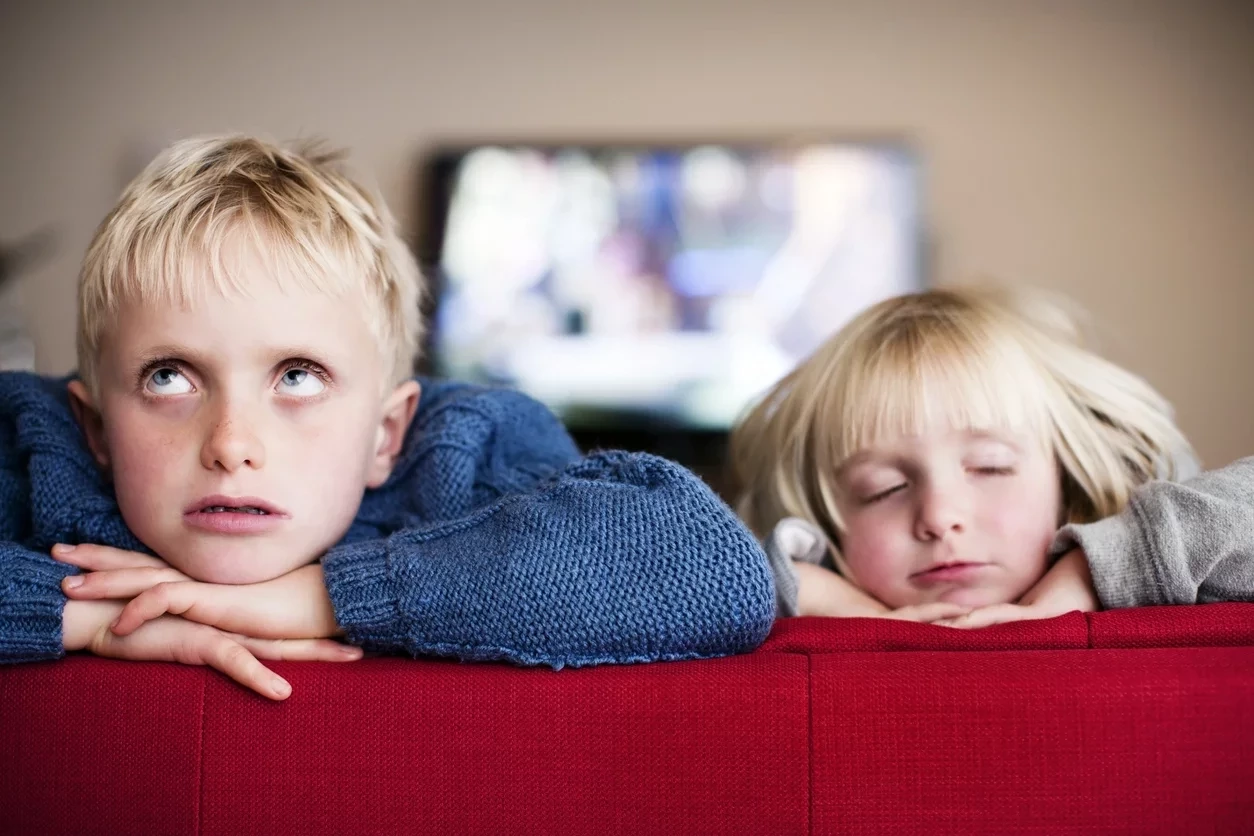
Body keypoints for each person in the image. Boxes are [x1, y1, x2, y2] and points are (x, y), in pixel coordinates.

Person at [0, 135, 775, 700]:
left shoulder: (461, 450)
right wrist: (88, 619)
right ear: (97, 430)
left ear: (386, 435)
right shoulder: (41, 446)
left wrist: (329, 598)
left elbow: (711, 566)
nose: (232, 444)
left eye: (298, 376)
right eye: (170, 376)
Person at [729, 286, 1254, 624]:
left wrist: (1097, 571)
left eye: (990, 466)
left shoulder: (1156, 563)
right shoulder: (812, 585)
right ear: (831, 521)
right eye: (884, 488)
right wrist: (801, 588)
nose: (940, 518)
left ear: (1065, 478)